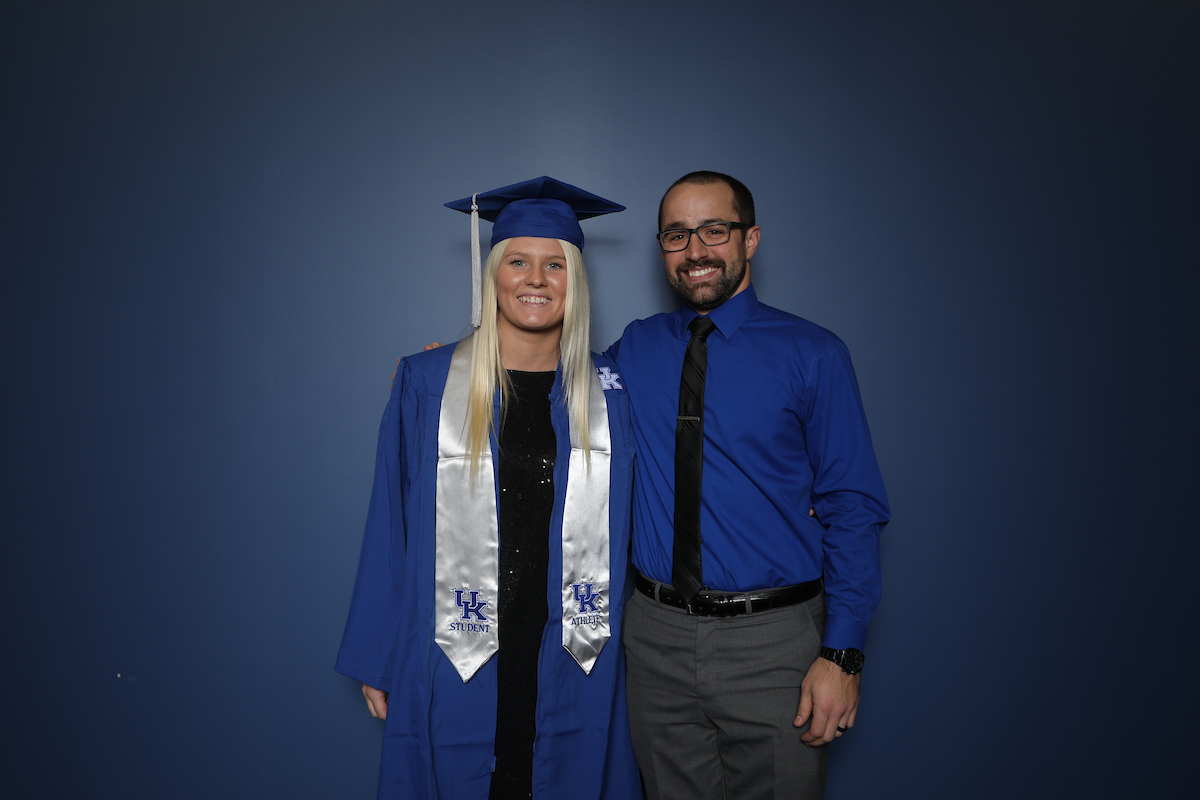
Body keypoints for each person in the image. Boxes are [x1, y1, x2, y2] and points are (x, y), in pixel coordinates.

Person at [336, 177, 641, 800]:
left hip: (572, 640)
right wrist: (379, 652)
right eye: (519, 262)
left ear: (575, 279)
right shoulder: (427, 382)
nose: (536, 279)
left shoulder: (615, 391)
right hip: (459, 640)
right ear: (493, 274)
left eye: (555, 264)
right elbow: (388, 521)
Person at [606, 171, 890, 800]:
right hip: (655, 639)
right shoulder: (634, 349)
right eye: (677, 235)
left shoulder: (813, 354)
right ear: (662, 249)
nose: (696, 250)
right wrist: (458, 370)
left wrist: (842, 655)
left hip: (774, 644)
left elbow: (853, 508)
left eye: (715, 229)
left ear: (750, 238)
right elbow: (549, 391)